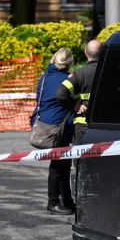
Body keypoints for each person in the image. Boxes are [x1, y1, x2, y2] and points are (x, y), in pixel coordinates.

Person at [33, 48, 76, 215]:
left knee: (62, 163)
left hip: (45, 123)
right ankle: (53, 202)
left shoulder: (44, 78)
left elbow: (39, 98)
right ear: (69, 62)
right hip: (59, 127)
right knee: (59, 165)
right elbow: (67, 98)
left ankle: (67, 200)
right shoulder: (67, 80)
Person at [57, 39, 101, 144]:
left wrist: (74, 105)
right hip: (104, 127)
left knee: (81, 160)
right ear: (103, 52)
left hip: (82, 127)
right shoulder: (111, 74)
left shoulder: (79, 74)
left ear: (85, 52)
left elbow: (61, 94)